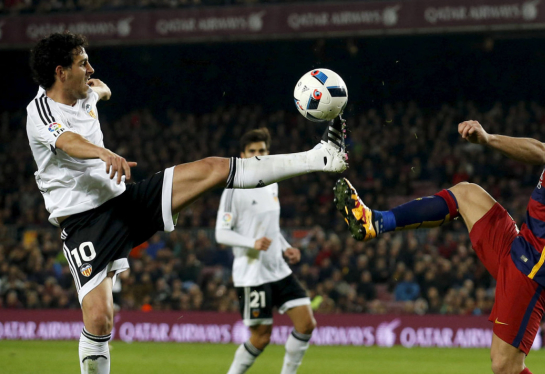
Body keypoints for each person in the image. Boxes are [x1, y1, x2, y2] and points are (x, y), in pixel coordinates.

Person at [27, 32, 347, 374]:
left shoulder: (87, 91)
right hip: (85, 222)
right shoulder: (40, 111)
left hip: (125, 200)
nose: (90, 68)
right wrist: (103, 151)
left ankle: (320, 157)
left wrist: (100, 92)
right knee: (101, 320)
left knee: (211, 168)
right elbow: (68, 141)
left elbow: (99, 91)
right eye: (82, 63)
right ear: (60, 73)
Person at [334, 74, 545, 374]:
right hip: (524, 246)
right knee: (466, 193)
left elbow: (542, 152)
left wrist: (488, 139)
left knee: (504, 367)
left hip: (538, 267)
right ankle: (375, 221)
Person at [216, 128, 322, 374]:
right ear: (242, 156)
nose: (257, 155)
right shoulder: (233, 190)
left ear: (268, 153)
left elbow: (271, 228)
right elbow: (221, 233)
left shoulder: (271, 184)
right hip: (252, 275)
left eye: (261, 151)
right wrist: (251, 243)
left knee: (306, 324)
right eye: (252, 151)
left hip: (278, 269)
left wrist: (286, 247)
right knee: (261, 338)